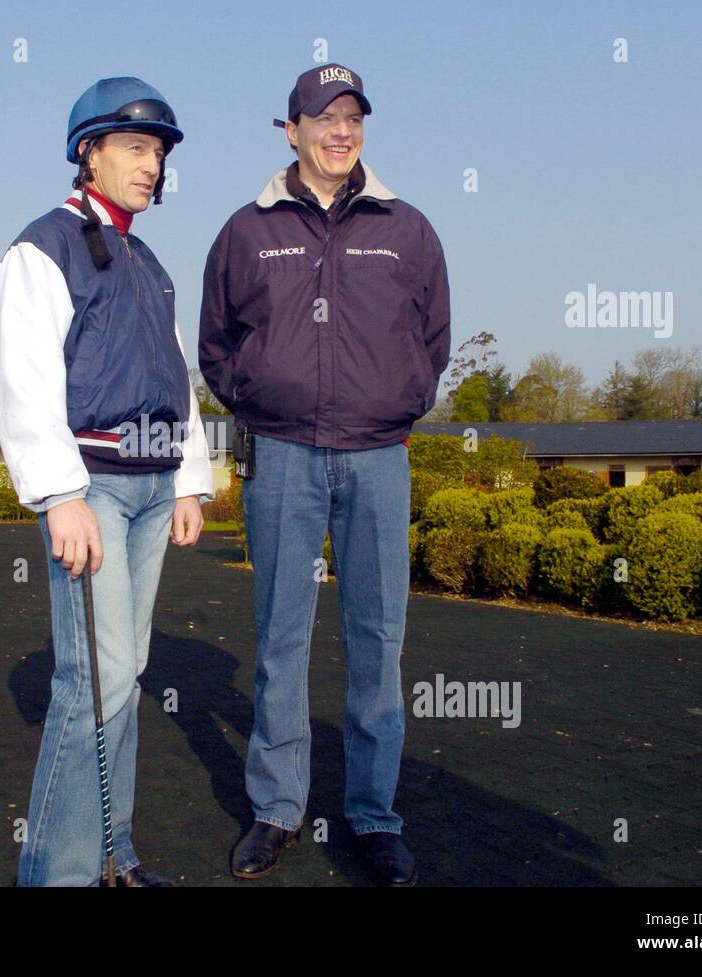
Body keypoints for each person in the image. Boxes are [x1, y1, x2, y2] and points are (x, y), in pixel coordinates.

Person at [198, 63, 451, 886]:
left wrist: (402, 401)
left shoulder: (407, 229)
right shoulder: (247, 230)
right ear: (291, 130)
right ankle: (277, 810)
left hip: (379, 456)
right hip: (284, 455)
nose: (340, 131)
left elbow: (433, 339)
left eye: (353, 118)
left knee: (378, 640)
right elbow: (215, 344)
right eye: (323, 117)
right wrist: (260, 403)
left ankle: (374, 816)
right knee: (280, 634)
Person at [0, 76, 215, 887]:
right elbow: (18, 372)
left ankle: (114, 854)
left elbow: (176, 377)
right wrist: (59, 492)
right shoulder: (42, 246)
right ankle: (57, 876)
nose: (153, 166)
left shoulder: (149, 264)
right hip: (95, 487)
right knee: (94, 683)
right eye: (137, 148)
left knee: (127, 675)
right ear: (90, 152)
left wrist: (188, 479)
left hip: (152, 488)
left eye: (159, 153)